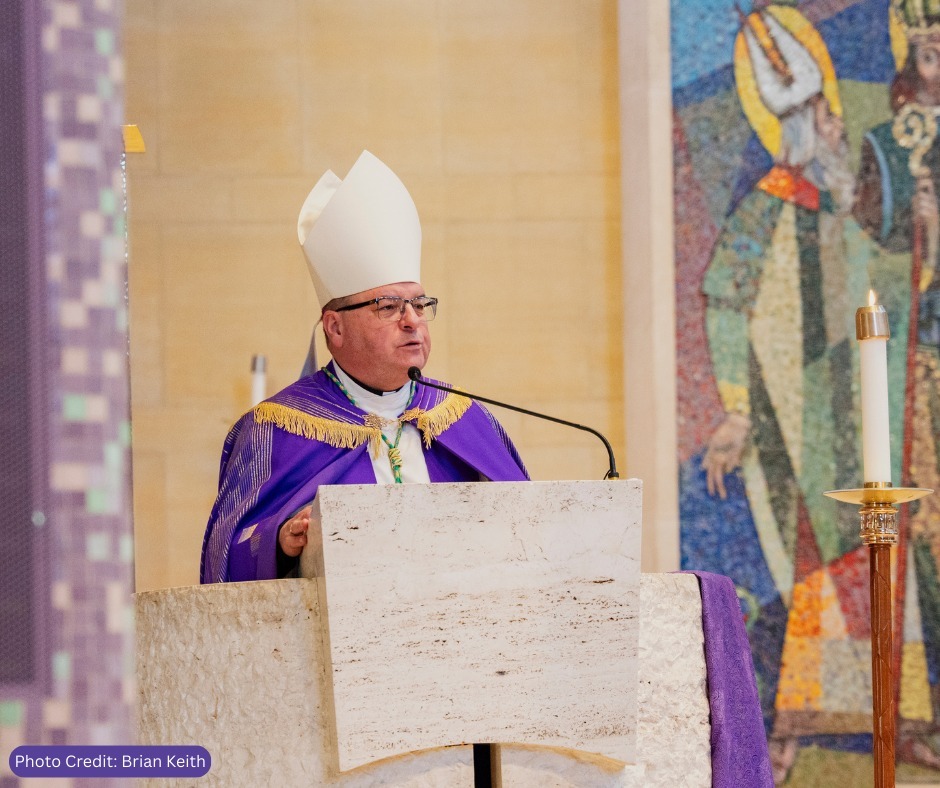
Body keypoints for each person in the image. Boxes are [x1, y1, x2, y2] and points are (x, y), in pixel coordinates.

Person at [685, 6, 874, 781]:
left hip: (847, 420)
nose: (837, 126)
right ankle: (784, 732)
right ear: (797, 126)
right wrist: (735, 406)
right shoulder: (768, 205)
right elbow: (724, 298)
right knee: (805, 570)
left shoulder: (839, 208)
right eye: (826, 113)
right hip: (790, 426)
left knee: (863, 564)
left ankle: (868, 725)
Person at [200, 151, 528, 584]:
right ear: (334, 327)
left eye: (420, 304)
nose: (412, 319)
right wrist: (281, 540)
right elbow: (224, 560)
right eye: (389, 306)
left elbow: (530, 533)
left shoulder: (466, 417)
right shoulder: (273, 430)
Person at [852, 0, 940, 768]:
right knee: (931, 538)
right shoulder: (888, 146)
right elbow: (869, 226)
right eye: (925, 35)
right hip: (923, 359)